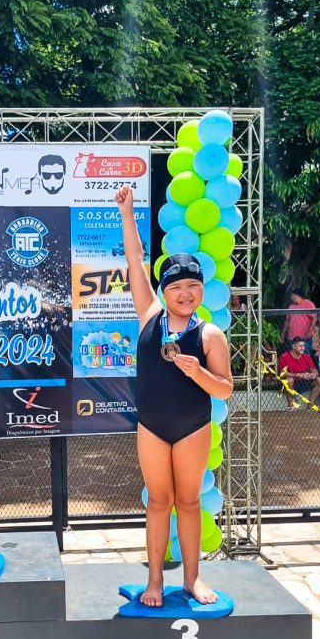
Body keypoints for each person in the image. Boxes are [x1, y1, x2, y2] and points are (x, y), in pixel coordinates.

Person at [116, 185, 233, 607]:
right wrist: (127, 213)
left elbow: (225, 388)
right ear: (164, 291)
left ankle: (192, 579)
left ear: (202, 290)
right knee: (158, 502)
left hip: (192, 427)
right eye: (177, 286)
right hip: (152, 426)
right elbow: (135, 261)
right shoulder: (149, 315)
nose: (186, 293)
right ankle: (153, 581)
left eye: (193, 286)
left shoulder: (210, 334)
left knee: (188, 500)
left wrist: (199, 372)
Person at [277, 337, 320, 408]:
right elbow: (283, 373)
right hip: (290, 383)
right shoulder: (284, 357)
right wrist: (299, 375)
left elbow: (315, 370)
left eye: (304, 346)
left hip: (303, 382)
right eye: (300, 346)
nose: (303, 348)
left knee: (319, 380)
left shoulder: (306, 357)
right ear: (293, 346)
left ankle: (310, 405)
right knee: (289, 380)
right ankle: (291, 405)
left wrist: (314, 374)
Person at [281, 288, 316, 354]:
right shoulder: (291, 306)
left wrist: (310, 331)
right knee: (292, 355)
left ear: (300, 296)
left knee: (306, 355)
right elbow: (287, 320)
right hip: (292, 337)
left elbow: (314, 318)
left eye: (295, 296)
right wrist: (283, 333)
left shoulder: (308, 303)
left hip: (304, 337)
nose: (293, 297)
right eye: (292, 296)